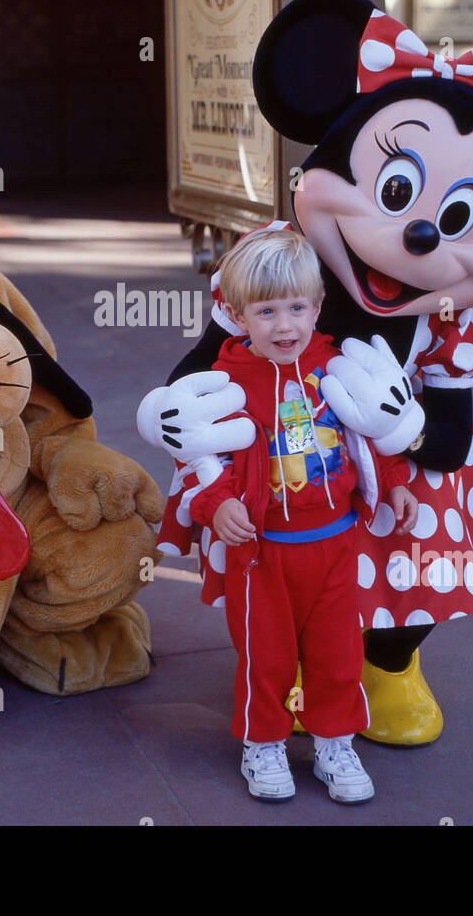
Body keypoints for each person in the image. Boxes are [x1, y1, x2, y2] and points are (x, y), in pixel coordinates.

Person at [155, 226, 418, 804]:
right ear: (236, 314)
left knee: (338, 652)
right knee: (265, 656)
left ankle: (334, 741)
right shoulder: (224, 380)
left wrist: (396, 482)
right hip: (261, 551)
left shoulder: (335, 366)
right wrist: (217, 502)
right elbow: (198, 454)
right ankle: (263, 743)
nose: (284, 326)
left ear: (318, 306)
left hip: (334, 543)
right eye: (266, 311)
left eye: (297, 308)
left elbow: (369, 432)